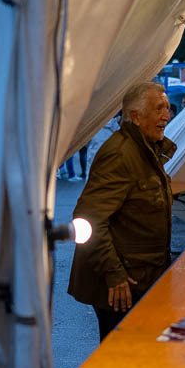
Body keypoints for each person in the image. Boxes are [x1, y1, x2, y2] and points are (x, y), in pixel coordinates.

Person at [68, 82, 175, 341]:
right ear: (136, 117)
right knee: (123, 359)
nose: (166, 116)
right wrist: (114, 274)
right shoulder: (120, 154)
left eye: (168, 108)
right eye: (159, 109)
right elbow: (88, 219)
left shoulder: (145, 148)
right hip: (123, 283)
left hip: (142, 276)